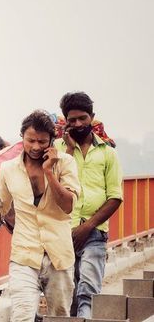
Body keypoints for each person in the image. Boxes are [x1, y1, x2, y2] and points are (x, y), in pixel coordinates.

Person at [0, 110, 81, 321]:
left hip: (59, 255)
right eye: (31, 141)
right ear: (22, 138)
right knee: (22, 316)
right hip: (24, 254)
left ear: (51, 141)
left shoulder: (65, 163)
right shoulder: (8, 169)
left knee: (60, 316)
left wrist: (49, 172)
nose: (36, 147)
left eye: (42, 141)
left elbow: (68, 206)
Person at [55, 92, 123, 318]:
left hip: (94, 233)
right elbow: (51, 183)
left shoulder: (107, 152)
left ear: (92, 117)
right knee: (67, 294)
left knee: (88, 289)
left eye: (83, 118)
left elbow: (115, 196)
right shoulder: (56, 149)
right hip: (62, 231)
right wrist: (68, 151)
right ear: (65, 121)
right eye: (72, 120)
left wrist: (88, 226)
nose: (78, 124)